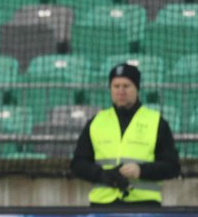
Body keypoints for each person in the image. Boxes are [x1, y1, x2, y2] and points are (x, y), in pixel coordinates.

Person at [71, 63, 180, 206]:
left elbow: (172, 166)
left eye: (126, 86)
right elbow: (78, 164)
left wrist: (141, 170)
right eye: (116, 86)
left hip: (144, 205)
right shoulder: (96, 122)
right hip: (102, 205)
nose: (121, 91)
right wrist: (104, 175)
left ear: (137, 88)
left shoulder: (157, 122)